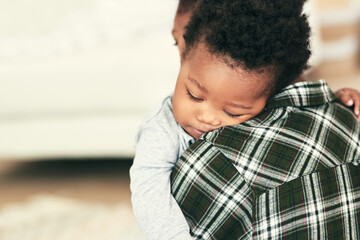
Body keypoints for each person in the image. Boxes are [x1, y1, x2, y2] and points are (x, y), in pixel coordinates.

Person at [130, 0, 360, 239]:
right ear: (183, 58)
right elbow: (149, 192)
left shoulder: (262, 91)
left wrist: (336, 97)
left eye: (233, 113)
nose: (207, 117)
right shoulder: (161, 128)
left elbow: (296, 99)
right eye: (194, 95)